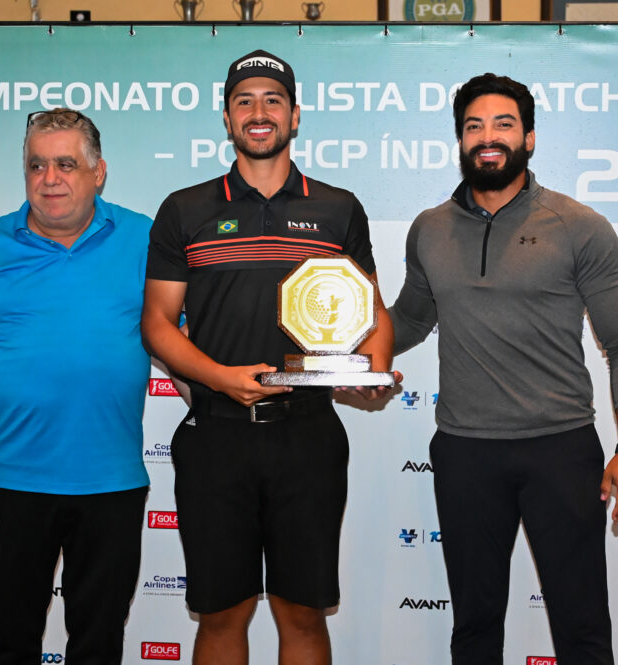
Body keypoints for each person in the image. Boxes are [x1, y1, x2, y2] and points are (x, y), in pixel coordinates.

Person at [142, 49, 398, 665]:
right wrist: (222, 380)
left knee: (303, 614)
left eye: (272, 101)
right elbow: (156, 326)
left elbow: (373, 312)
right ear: (227, 118)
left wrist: (370, 369)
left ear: (296, 116)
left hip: (307, 438)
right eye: (244, 102)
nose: (259, 114)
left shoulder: (337, 208)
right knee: (222, 617)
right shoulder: (185, 209)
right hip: (215, 439)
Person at [389, 73, 618, 665]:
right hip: (464, 452)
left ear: (529, 138)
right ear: (459, 141)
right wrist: (341, 344)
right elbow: (407, 320)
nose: (488, 137)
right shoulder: (429, 228)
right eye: (474, 126)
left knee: (582, 628)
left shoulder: (578, 225)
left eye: (504, 124)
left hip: (560, 451)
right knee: (475, 628)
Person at [0, 108, 151, 665]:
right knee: (10, 644)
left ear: (98, 171)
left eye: (65, 164)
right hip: (9, 489)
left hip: (112, 485)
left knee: (99, 646)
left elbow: (188, 343)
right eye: (36, 165)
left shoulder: (145, 240)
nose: (49, 178)